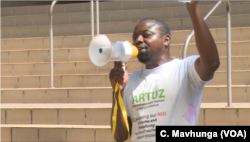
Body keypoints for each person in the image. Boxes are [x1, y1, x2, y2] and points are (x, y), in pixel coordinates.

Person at [109, 1, 220, 142]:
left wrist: (193, 8)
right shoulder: (130, 81)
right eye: (135, 37)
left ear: (166, 40)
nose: (138, 40)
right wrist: (118, 92)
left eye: (146, 35)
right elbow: (121, 137)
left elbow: (212, 64)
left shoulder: (185, 69)